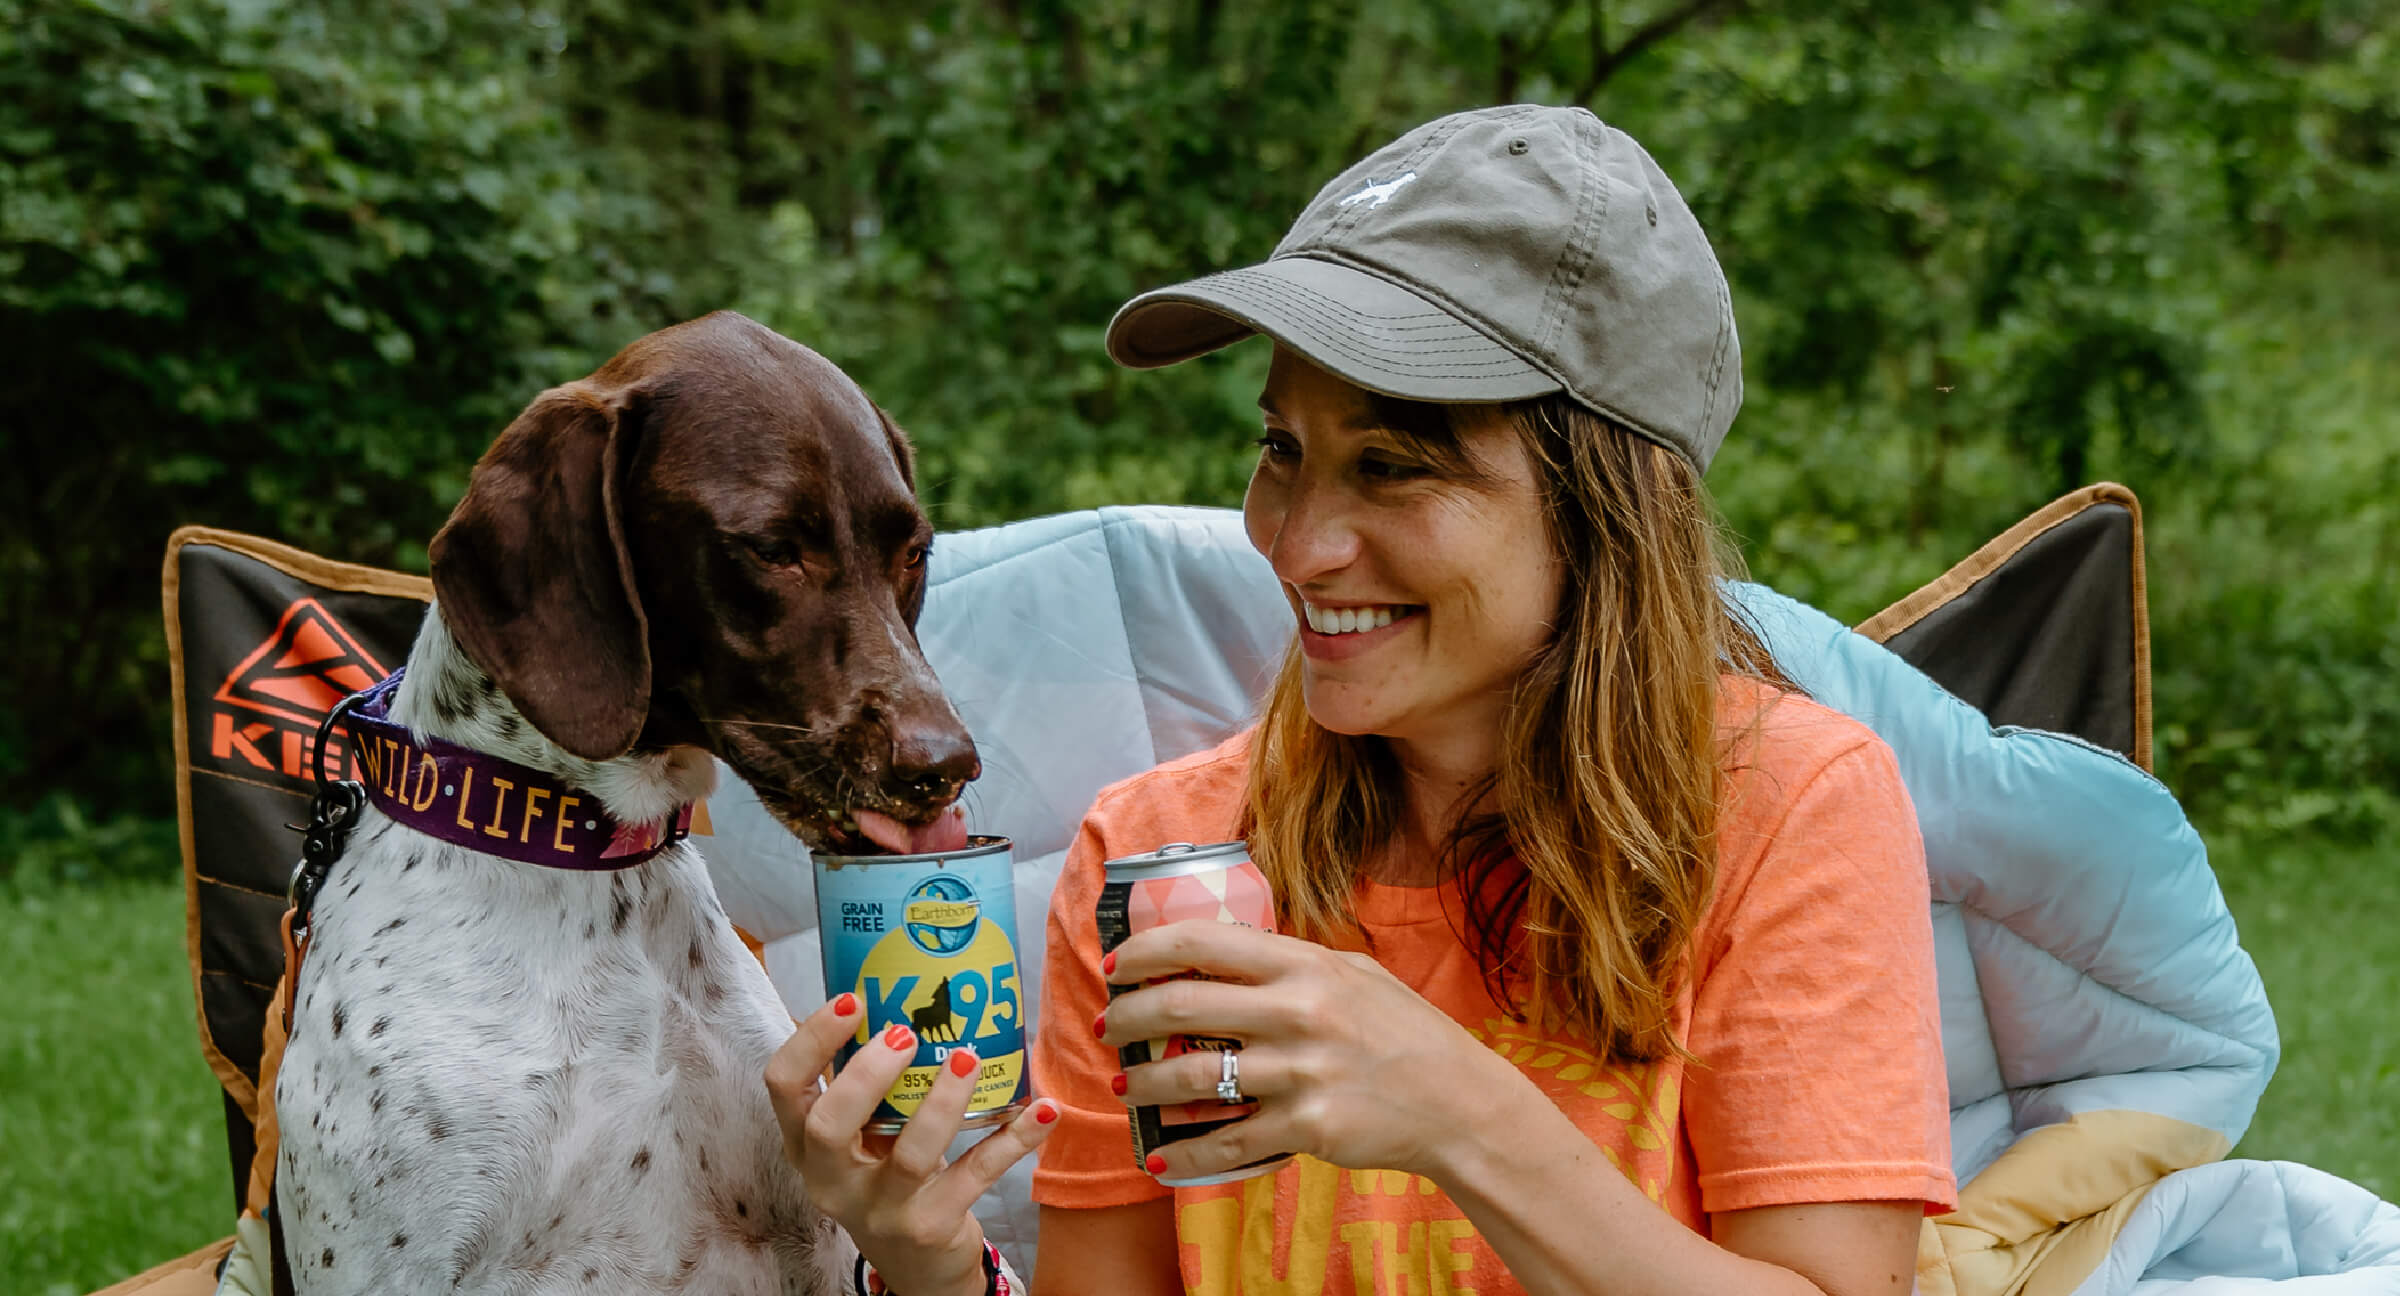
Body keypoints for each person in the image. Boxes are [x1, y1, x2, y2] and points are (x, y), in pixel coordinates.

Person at [768, 104, 1953, 1296]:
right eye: (1283, 449)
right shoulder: (1153, 860)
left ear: (1604, 505)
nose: (1295, 543)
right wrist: (930, 1269)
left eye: (1390, 466)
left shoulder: (1790, 807)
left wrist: (1459, 1114)